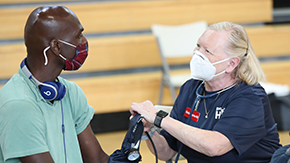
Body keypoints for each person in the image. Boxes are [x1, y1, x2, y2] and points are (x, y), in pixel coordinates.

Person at [130, 21, 282, 162]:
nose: (197, 54)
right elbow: (166, 152)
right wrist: (149, 131)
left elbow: (214, 146)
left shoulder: (250, 97)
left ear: (231, 64)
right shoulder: (191, 88)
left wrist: (160, 119)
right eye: (198, 46)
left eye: (207, 51)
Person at [0, 5, 109, 163]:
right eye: (79, 36)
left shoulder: (70, 92)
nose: (84, 42)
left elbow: (97, 159)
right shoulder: (18, 105)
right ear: (57, 47)